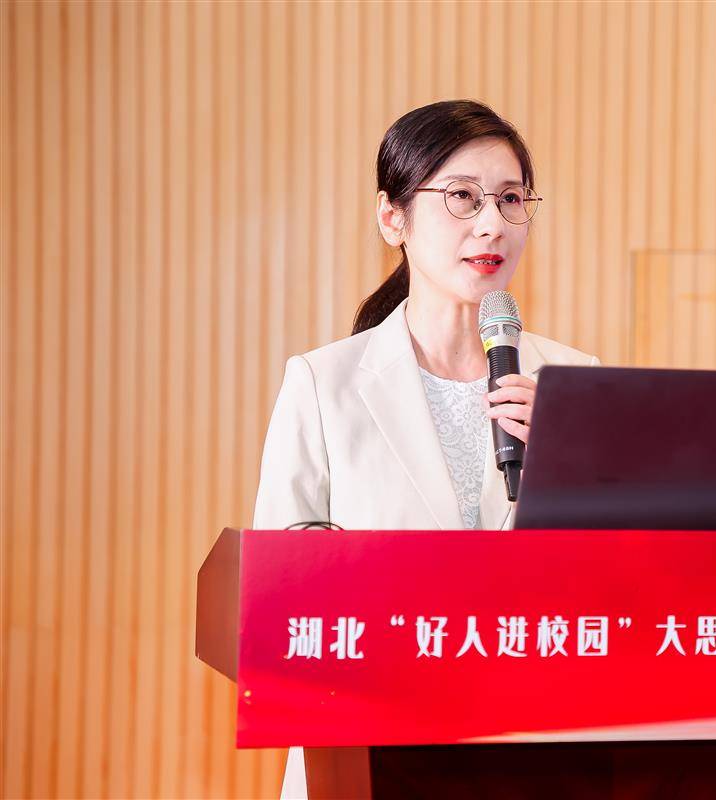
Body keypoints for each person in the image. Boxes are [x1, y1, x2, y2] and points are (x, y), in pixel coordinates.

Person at [251, 99, 600, 799]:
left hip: (532, 753)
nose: (492, 223)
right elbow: (278, 590)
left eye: (510, 199)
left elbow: (616, 583)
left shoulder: (577, 382)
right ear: (393, 219)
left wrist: (573, 465)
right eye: (463, 197)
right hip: (369, 747)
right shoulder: (324, 382)